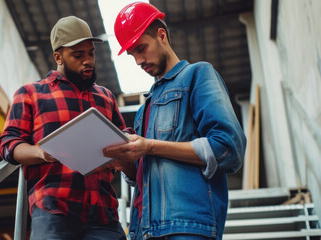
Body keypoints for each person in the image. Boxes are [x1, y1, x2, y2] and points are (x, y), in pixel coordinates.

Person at [103, 2, 247, 240]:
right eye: (132, 55)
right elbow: (149, 174)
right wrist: (125, 163)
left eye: (141, 48)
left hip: (187, 227)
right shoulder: (144, 109)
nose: (138, 61)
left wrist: (150, 146)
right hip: (143, 231)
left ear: (161, 35)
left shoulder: (197, 75)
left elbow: (228, 148)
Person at [0, 16, 127, 240]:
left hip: (104, 214)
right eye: (78, 55)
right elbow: (9, 145)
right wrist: (41, 152)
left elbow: (126, 143)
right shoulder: (31, 93)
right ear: (58, 57)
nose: (88, 61)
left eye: (91, 53)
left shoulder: (106, 97)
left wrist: (121, 153)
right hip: (54, 209)